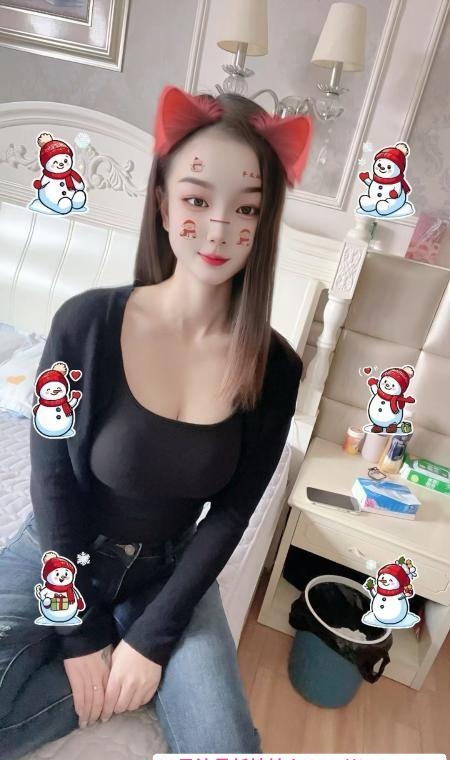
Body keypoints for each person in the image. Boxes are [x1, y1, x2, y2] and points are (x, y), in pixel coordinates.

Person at [0, 84, 312, 758]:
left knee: (227, 746)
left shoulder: (276, 369)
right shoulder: (85, 324)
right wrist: (82, 634)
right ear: (164, 204)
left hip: (168, 572)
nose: (219, 229)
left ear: (265, 223)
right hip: (59, 549)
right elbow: (52, 483)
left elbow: (230, 515)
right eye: (198, 200)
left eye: (247, 207)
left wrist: (149, 640)